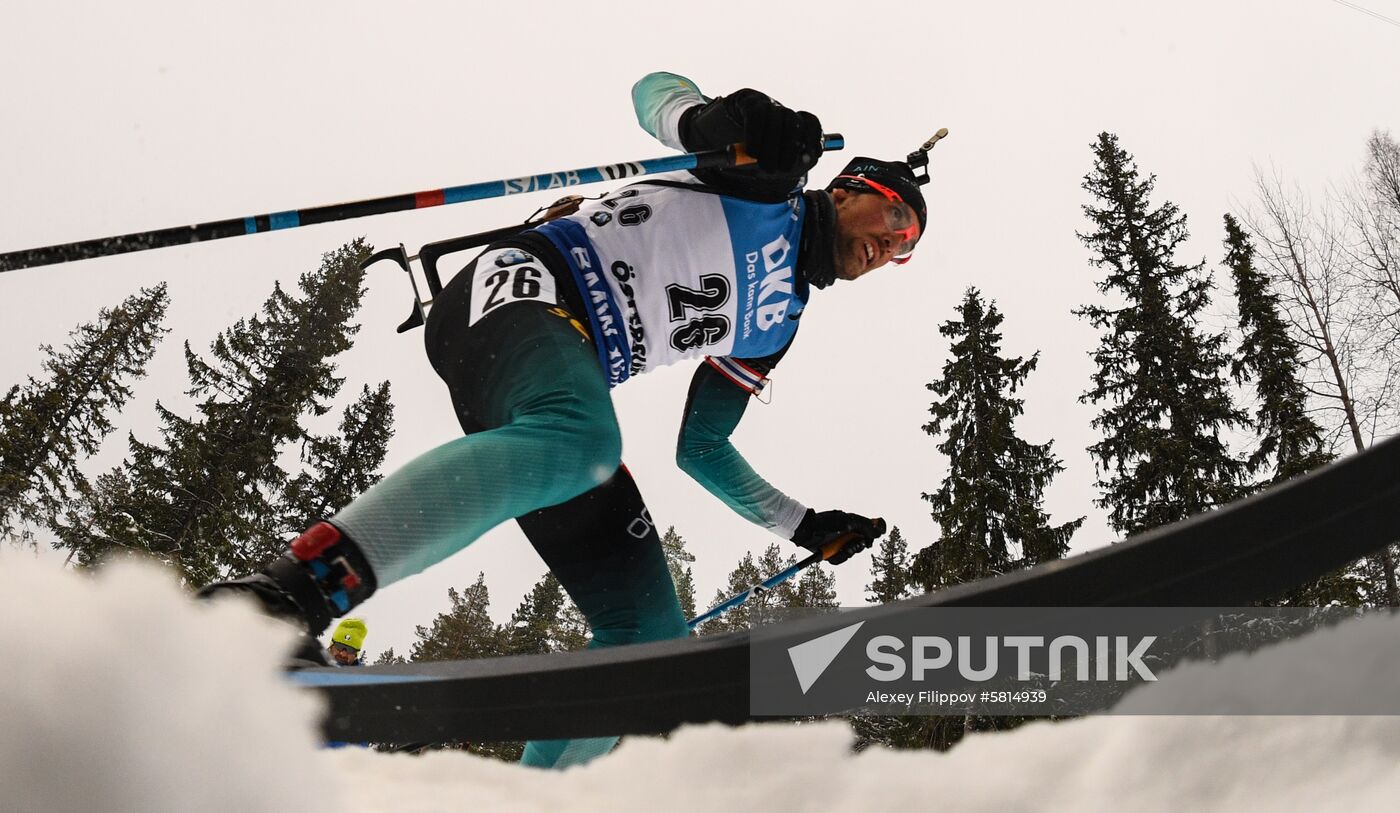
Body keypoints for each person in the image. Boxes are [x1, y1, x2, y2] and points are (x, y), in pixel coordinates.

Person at [201, 70, 933, 769]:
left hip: (562, 382)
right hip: (523, 288)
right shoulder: (767, 182)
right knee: (585, 439)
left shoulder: (777, 326)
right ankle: (280, 599)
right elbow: (653, 92)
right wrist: (710, 122)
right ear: (848, 188)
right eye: (898, 217)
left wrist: (804, 525)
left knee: (649, 645)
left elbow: (702, 447)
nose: (894, 246)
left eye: (908, 252)